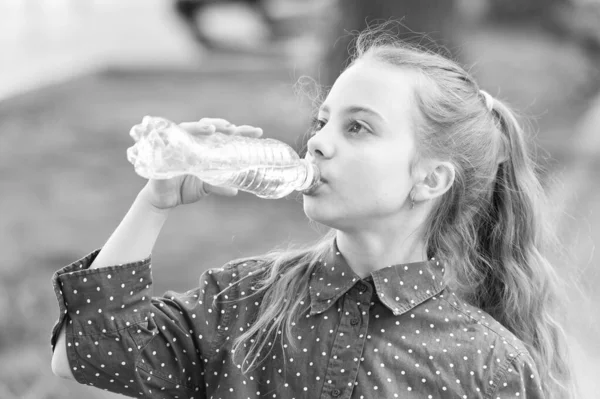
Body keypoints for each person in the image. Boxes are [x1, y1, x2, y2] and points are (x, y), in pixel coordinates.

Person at [50, 23, 575, 398]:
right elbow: (83, 351)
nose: (318, 142)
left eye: (358, 127)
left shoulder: (485, 363)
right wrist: (153, 203)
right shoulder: (244, 301)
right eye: (323, 122)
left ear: (430, 179)